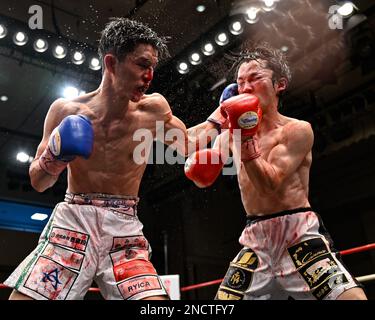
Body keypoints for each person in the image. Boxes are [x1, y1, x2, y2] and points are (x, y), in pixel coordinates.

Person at [4, 18, 202, 300]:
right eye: (142, 65)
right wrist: (55, 156)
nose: (149, 76)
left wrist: (223, 121)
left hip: (124, 228)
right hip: (73, 222)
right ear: (111, 63)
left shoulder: (153, 111)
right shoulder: (66, 110)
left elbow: (188, 146)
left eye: (152, 68)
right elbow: (38, 181)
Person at [184, 42, 367, 300]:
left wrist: (245, 138)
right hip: (255, 240)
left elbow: (269, 183)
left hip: (298, 233)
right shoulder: (229, 135)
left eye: (255, 79)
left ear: (279, 85)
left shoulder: (297, 130)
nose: (245, 88)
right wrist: (216, 123)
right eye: (240, 82)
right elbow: (196, 163)